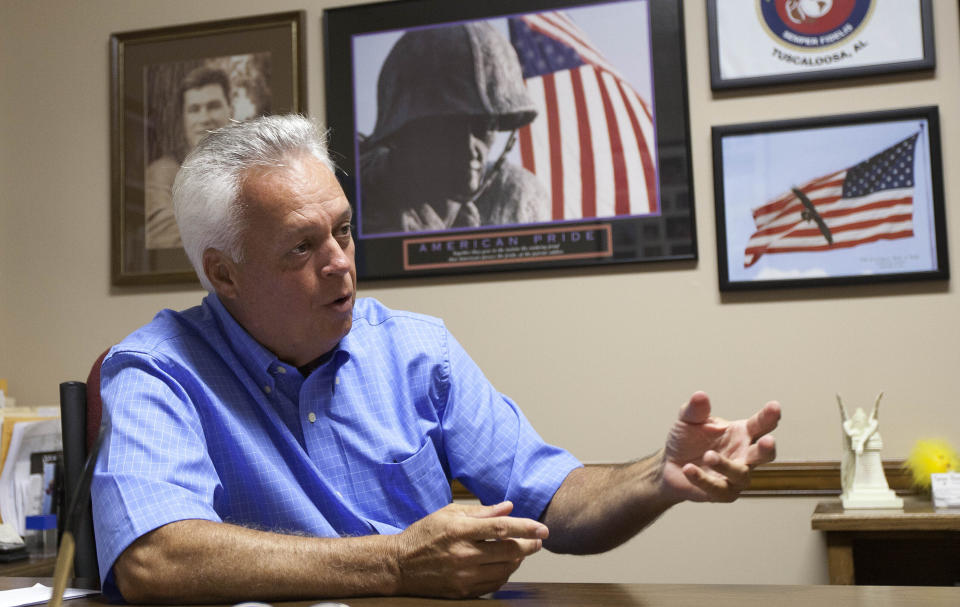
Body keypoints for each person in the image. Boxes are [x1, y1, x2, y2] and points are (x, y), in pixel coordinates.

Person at [92, 115, 780, 603]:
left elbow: (553, 499)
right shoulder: (157, 368)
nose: (341, 264)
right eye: (302, 247)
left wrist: (656, 477)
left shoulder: (417, 350)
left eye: (343, 229)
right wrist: (394, 561)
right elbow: (156, 557)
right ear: (225, 273)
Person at [359, 22, 550, 234]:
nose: (469, 148)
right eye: (447, 129)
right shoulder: (359, 196)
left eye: (482, 126)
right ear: (404, 133)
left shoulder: (511, 194)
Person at [144, 66, 233, 249]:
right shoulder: (161, 173)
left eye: (213, 106)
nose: (204, 118)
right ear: (184, 119)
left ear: (230, 110)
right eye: (194, 109)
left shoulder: (249, 169)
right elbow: (162, 233)